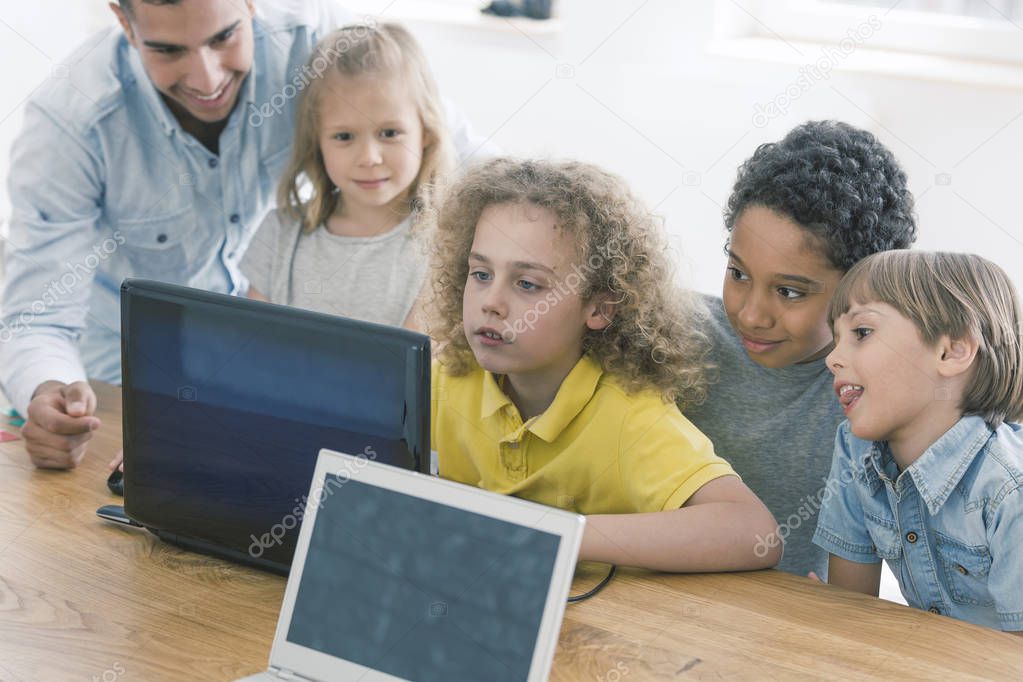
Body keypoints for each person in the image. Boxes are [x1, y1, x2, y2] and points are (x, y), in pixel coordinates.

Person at [0, 0, 494, 470]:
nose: (207, 78)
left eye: (224, 36)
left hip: (237, 377)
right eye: (169, 50)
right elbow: (36, 315)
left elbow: (475, 171)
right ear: (125, 24)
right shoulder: (71, 122)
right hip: (118, 366)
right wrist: (48, 392)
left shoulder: (312, 41)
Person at [427, 158, 781, 571]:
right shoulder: (446, 381)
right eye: (481, 273)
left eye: (527, 284)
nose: (491, 302)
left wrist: (555, 534)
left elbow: (755, 533)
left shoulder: (628, 416)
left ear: (598, 307)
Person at [682, 121, 917, 578]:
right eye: (738, 273)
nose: (752, 314)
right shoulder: (673, 337)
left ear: (862, 292)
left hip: (783, 627)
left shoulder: (873, 395)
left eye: (789, 292)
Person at [814, 251, 1023, 635]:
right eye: (836, 337)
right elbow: (849, 612)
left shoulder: (1010, 490)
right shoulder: (855, 449)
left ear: (952, 351)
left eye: (861, 332)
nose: (833, 358)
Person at [241, 23, 449, 330]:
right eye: (344, 136)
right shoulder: (279, 234)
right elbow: (247, 344)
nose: (369, 157)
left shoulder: (444, 246)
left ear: (426, 133)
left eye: (389, 133)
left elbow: (413, 368)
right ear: (317, 143)